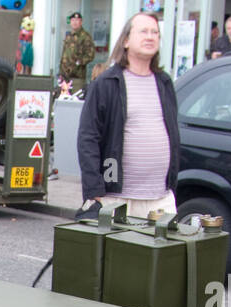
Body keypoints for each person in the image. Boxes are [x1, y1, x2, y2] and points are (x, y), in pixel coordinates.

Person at [77, 12, 179, 220]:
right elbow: (88, 138)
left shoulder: (165, 83)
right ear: (125, 40)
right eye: (143, 31)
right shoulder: (107, 83)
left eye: (155, 32)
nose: (150, 37)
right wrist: (94, 191)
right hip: (117, 199)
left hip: (161, 199)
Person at [59, 12, 95, 91]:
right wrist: (61, 72)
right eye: (72, 20)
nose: (74, 22)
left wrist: (78, 63)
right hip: (65, 77)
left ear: (81, 22)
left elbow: (90, 55)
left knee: (76, 100)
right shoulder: (69, 36)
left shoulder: (85, 36)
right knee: (64, 100)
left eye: (77, 20)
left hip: (77, 77)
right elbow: (65, 55)